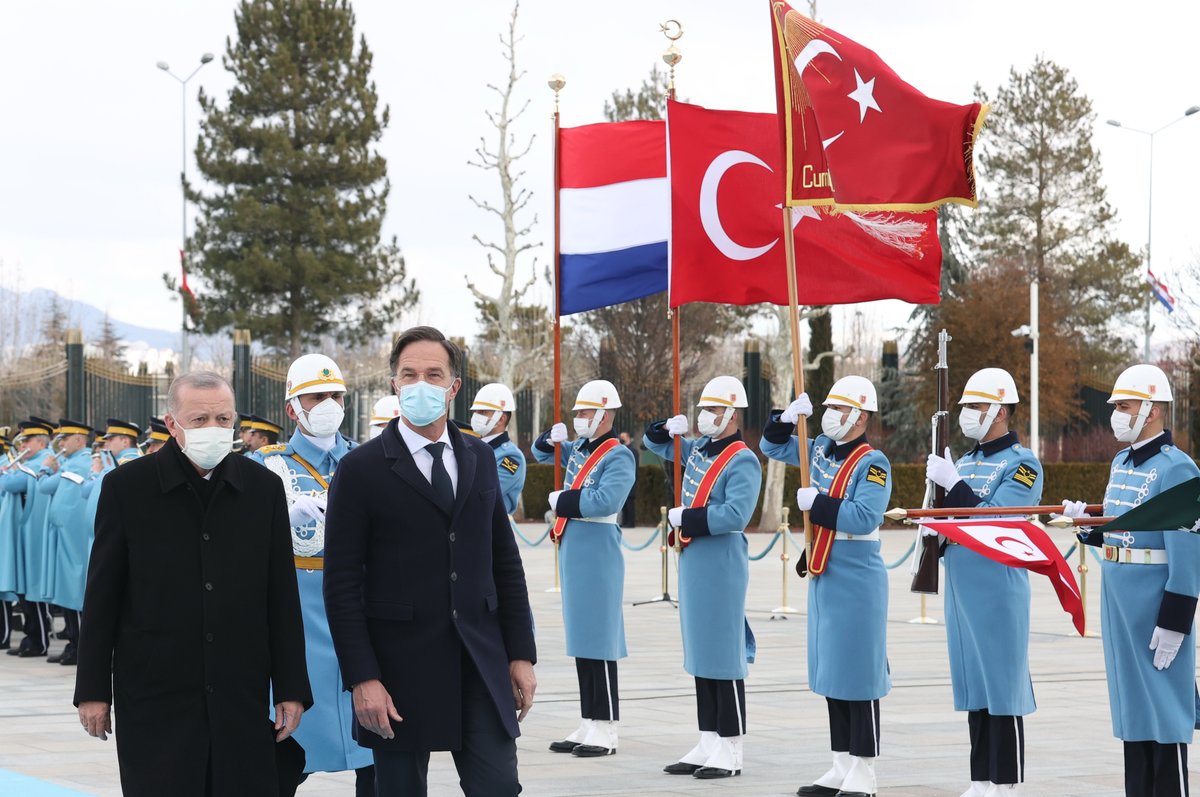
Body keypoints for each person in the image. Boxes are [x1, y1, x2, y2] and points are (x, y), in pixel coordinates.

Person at [74, 371, 312, 797]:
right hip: (155, 694)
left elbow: (281, 596)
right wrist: (92, 690)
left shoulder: (263, 489)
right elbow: (102, 596)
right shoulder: (127, 488)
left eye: (223, 419)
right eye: (199, 419)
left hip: (239, 693)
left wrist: (292, 687)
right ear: (172, 424)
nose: (214, 429)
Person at [323, 326, 537, 797]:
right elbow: (340, 585)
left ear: (454, 387)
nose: (421, 383)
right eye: (409, 374)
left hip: (479, 660)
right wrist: (363, 677)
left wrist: (520, 653)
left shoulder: (480, 457)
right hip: (399, 669)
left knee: (500, 786)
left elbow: (505, 563)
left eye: (433, 374)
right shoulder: (360, 469)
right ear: (395, 384)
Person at [1061, 364, 1200, 797]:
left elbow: (1187, 552)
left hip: (1154, 602)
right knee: (1133, 712)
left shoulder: (1177, 469)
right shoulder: (1122, 461)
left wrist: (1176, 620)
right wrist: (1089, 526)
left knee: (1164, 713)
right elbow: (1127, 531)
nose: (1116, 414)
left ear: (1154, 409)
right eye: (1117, 406)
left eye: (1125, 406)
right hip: (1118, 598)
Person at [761, 376, 892, 797]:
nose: (830, 415)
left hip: (856, 570)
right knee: (832, 670)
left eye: (839, 408)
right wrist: (784, 418)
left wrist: (816, 504)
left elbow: (863, 516)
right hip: (824, 566)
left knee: (860, 673)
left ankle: (865, 769)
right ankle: (840, 763)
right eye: (828, 407)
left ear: (860, 416)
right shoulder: (816, 447)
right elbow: (769, 446)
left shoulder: (873, 463)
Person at [252, 353, 375, 795]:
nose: (328, 404)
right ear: (292, 409)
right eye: (316, 396)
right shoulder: (266, 466)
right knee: (286, 756)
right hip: (299, 623)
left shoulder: (368, 461)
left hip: (360, 618)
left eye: (335, 395)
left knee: (378, 759)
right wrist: (281, 516)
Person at [924, 368, 1042, 797]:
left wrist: (952, 485)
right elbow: (952, 519)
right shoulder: (967, 460)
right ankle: (980, 780)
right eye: (966, 407)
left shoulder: (1023, 464)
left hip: (997, 587)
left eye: (975, 406)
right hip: (961, 587)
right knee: (974, 686)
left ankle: (1005, 782)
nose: (967, 414)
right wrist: (933, 529)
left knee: (1002, 688)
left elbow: (997, 518)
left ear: (1000, 410)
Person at [643, 376, 762, 779]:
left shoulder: (741, 458)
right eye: (703, 409)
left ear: (731, 413)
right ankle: (708, 739)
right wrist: (664, 428)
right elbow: (654, 442)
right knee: (700, 651)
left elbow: (736, 514)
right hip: (694, 559)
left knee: (723, 654)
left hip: (721, 559)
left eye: (713, 410)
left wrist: (688, 517)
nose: (704, 416)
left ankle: (731, 746)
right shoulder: (697, 450)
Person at [532, 379, 636, 758]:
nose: (579, 419)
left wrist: (564, 500)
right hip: (575, 547)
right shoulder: (577, 448)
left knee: (600, 639)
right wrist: (548, 438)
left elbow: (605, 500)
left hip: (598, 547)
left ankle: (607, 728)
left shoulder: (618, 455)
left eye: (585, 413)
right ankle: (589, 720)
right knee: (582, 639)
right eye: (576, 412)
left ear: (606, 414)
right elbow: (541, 453)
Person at [36, 419, 95, 665]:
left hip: (76, 539)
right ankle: (73, 642)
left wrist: (46, 469)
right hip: (64, 538)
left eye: (66, 438)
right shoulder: (70, 463)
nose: (61, 443)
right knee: (67, 594)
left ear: (80, 439)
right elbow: (46, 487)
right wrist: (47, 470)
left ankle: (80, 645)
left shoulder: (83, 462)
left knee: (76, 594)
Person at [1, 418, 56, 658]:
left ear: (40, 441)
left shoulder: (41, 462)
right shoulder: (30, 462)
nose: (22, 445)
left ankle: (39, 639)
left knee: (34, 590)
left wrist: (9, 471)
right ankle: (30, 635)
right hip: (24, 533)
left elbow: (10, 484)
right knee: (24, 591)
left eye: (27, 440)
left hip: (36, 534)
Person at [468, 383, 526, 516]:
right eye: (475, 411)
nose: (476, 416)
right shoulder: (470, 445)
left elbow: (484, 491)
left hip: (491, 527)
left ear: (500, 419)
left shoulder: (511, 457)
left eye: (482, 412)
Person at [618, 432, 639, 527]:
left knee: (630, 503)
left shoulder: (633, 450)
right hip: (622, 481)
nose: (621, 439)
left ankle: (631, 522)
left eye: (623, 437)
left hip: (630, 481)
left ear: (628, 438)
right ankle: (625, 521)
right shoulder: (620, 449)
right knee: (624, 502)